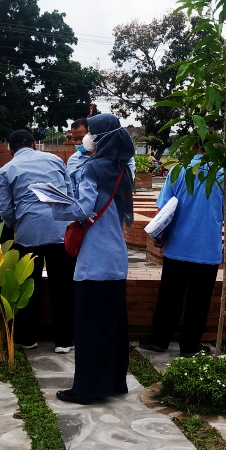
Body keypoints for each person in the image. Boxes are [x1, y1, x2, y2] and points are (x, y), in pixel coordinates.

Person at [49, 114, 134, 405]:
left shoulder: (92, 167)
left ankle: (86, 389)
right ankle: (114, 382)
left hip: (95, 259)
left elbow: (83, 209)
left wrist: (54, 205)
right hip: (116, 257)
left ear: (101, 138)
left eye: (91, 132)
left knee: (90, 328)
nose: (87, 137)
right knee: (113, 326)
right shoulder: (121, 167)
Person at [138, 146, 226, 358]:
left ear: (192, 146)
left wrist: (160, 236)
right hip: (207, 250)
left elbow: (164, 209)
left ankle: (159, 339)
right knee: (199, 301)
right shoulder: (225, 175)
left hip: (177, 247)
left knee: (169, 297)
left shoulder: (179, 171)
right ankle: (190, 345)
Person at [0, 129, 76, 354]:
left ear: (11, 150)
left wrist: (18, 222)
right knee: (64, 286)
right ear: (34, 144)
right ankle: (64, 341)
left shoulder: (6, 170)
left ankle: (28, 338)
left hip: (28, 234)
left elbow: (5, 210)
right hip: (60, 231)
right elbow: (69, 194)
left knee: (28, 287)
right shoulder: (56, 160)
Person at [68, 116, 135, 196]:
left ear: (92, 134)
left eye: (82, 138)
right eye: (75, 139)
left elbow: (127, 186)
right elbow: (71, 189)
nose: (78, 142)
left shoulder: (123, 158)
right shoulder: (73, 160)